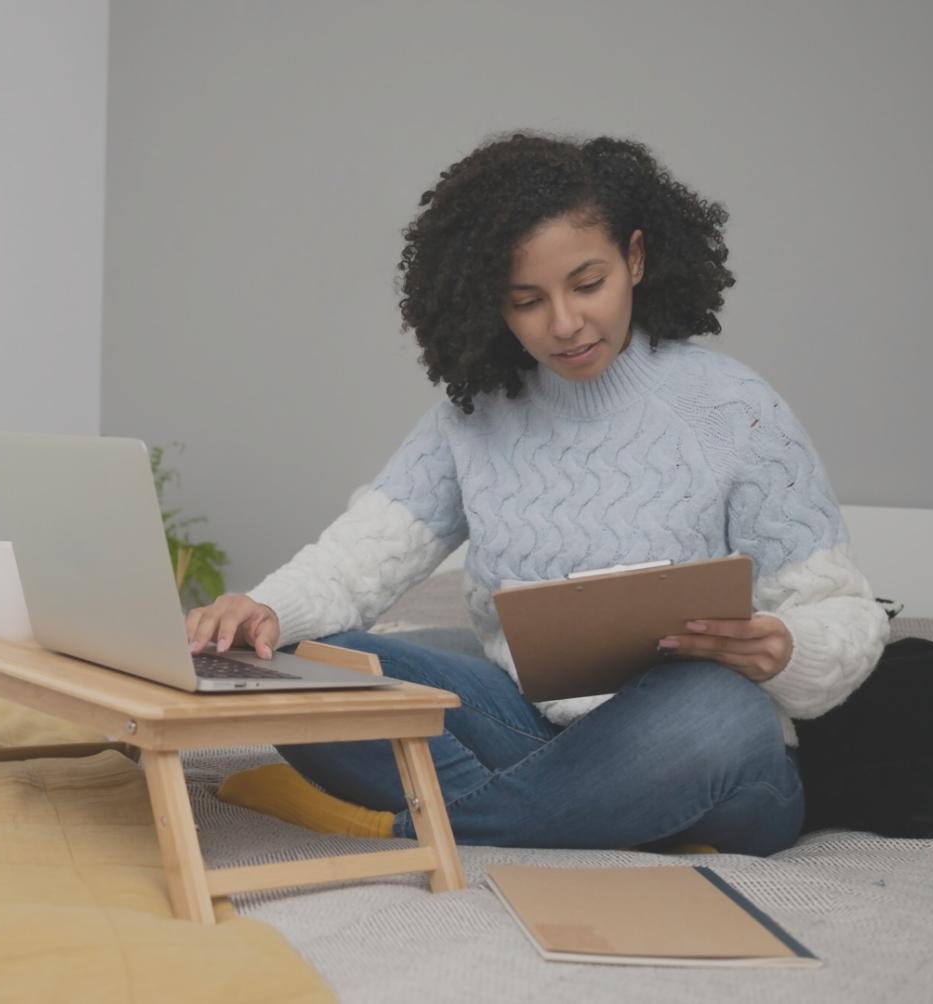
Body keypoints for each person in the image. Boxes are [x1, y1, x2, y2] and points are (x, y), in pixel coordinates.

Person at [184, 132, 889, 857]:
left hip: (709, 757)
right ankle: (578, 813)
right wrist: (262, 610)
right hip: (528, 725)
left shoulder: (733, 410)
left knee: (716, 710)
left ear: (635, 258)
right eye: (527, 301)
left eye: (587, 285)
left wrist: (785, 648)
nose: (564, 324)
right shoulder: (474, 417)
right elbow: (353, 564)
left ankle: (401, 824)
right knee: (300, 663)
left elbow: (844, 611)